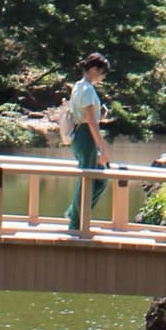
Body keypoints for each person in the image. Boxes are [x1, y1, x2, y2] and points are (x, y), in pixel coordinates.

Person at [64, 51, 114, 235]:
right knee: (88, 178)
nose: (103, 77)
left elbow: (88, 116)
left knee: (100, 178)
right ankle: (76, 222)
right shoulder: (86, 89)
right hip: (85, 136)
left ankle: (75, 214)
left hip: (81, 135)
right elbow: (91, 122)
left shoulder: (79, 87)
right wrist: (103, 148)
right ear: (93, 69)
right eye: (102, 72)